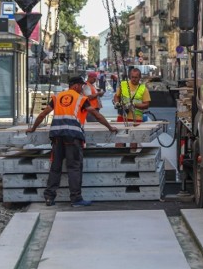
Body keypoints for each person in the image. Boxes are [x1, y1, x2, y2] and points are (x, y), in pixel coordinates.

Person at [26, 76, 118, 207]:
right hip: (73, 136)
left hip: (57, 136)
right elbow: (96, 115)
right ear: (75, 86)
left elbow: (42, 114)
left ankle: (49, 197)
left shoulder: (58, 97)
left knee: (55, 167)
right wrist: (110, 127)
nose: (82, 89)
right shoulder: (80, 99)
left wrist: (33, 128)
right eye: (81, 86)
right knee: (74, 167)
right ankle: (76, 199)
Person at [112, 68, 151, 148]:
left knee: (134, 139)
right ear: (130, 76)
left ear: (140, 78)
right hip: (122, 116)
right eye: (132, 77)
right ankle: (118, 156)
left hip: (136, 118)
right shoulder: (123, 85)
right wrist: (116, 103)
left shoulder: (143, 89)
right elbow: (116, 96)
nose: (133, 79)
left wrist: (134, 104)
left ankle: (131, 156)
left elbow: (146, 105)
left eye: (136, 77)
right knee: (119, 139)